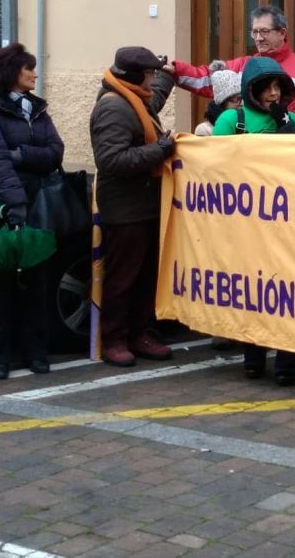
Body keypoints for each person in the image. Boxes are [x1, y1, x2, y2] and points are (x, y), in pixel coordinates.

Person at [0, 42, 65, 379]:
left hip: (36, 206)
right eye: (30, 69)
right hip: (0, 207)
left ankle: (36, 352)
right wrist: (16, 202)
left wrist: (22, 155)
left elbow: (56, 151)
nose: (36, 74)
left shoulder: (37, 109)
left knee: (37, 284)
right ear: (13, 72)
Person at [213, 56, 295, 384]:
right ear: (252, 89)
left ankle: (286, 364)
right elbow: (215, 166)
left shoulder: (290, 119)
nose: (273, 94)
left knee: (287, 293)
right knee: (255, 293)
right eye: (266, 87)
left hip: (285, 224)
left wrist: (284, 122)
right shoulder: (231, 119)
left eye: (279, 86)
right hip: (246, 224)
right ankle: (253, 358)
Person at [89, 46, 176, 367]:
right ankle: (114, 339)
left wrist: (169, 76)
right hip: (125, 209)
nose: (153, 80)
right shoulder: (113, 108)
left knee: (144, 276)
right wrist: (161, 151)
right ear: (137, 76)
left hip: (144, 203)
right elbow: (112, 160)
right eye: (152, 74)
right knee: (123, 277)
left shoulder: (134, 98)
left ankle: (142, 333)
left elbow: (153, 101)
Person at [169, 4, 295, 127]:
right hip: (247, 147)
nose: (258, 38)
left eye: (265, 31)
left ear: (282, 33)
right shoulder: (243, 65)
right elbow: (207, 80)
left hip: (285, 149)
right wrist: (175, 70)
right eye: (254, 32)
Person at [193, 61, 242, 137]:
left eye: (242, 98)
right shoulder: (205, 130)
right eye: (236, 99)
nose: (241, 103)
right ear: (222, 102)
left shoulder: (243, 120)